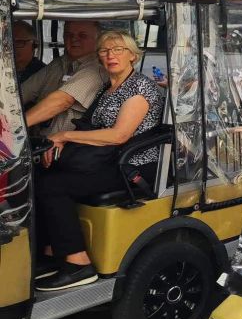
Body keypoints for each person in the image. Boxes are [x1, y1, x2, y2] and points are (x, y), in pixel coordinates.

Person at [34, 31, 165, 291]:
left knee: (53, 186)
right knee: (40, 174)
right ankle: (53, 252)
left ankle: (78, 264)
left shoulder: (139, 88)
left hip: (132, 167)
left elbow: (119, 135)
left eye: (118, 50)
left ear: (132, 55)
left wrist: (65, 135)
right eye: (105, 51)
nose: (110, 55)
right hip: (108, 160)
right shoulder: (108, 87)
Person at [21, 20, 106, 137]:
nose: (74, 39)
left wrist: (15, 127)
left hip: (67, 148)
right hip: (38, 141)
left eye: (83, 36)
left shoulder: (97, 69)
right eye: (69, 35)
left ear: (98, 40)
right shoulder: (58, 63)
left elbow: (62, 101)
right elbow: (23, 92)